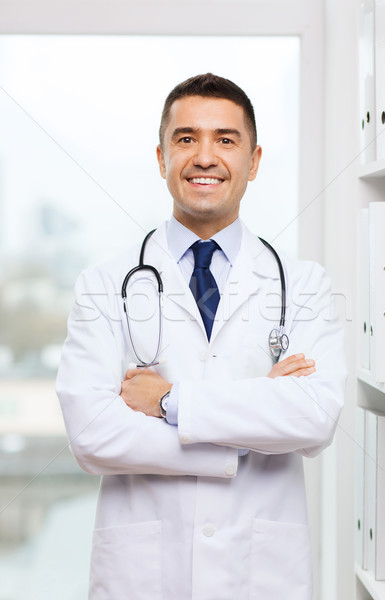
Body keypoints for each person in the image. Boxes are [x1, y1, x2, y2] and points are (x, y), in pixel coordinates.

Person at [56, 73, 346, 600]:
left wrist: (168, 400)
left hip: (261, 575)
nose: (205, 157)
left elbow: (315, 417)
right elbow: (92, 434)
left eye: (225, 140)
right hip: (142, 576)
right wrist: (242, 435)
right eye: (186, 138)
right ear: (162, 157)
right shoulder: (103, 285)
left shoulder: (304, 285)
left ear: (253, 161)